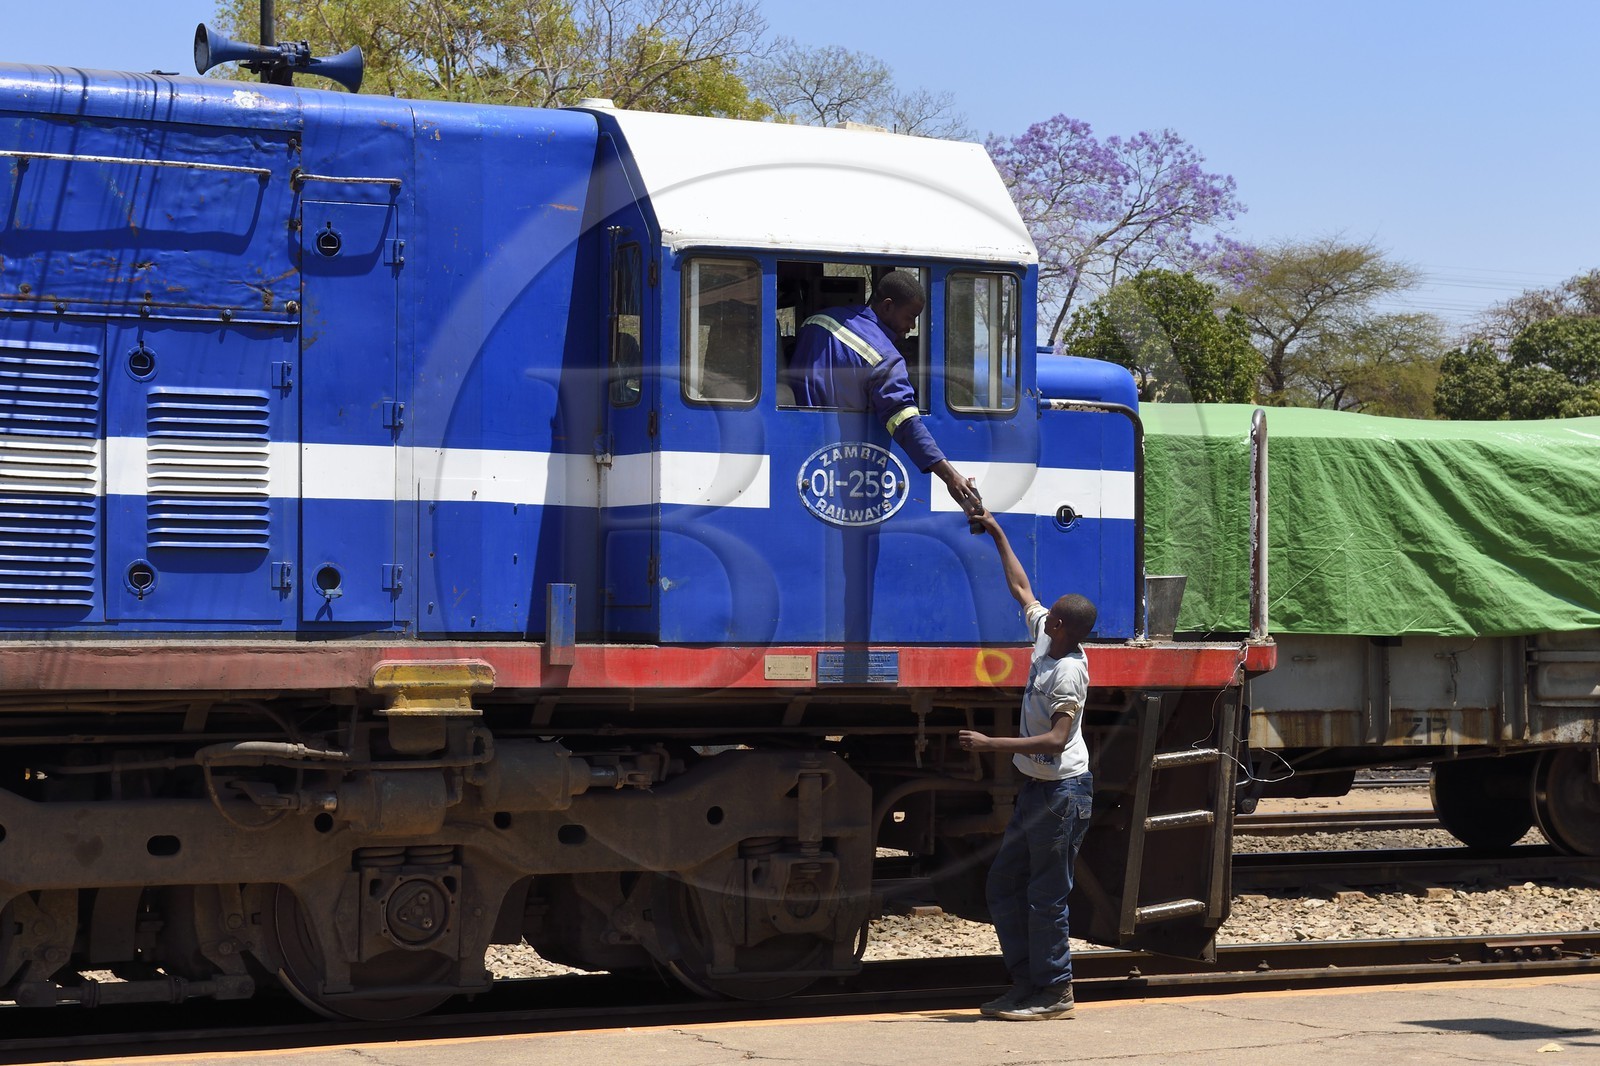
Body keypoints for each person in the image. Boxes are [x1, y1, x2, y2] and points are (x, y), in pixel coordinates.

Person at [958, 509, 1097, 1021]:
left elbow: (1058, 740)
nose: (1043, 613)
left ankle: (1055, 991)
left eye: (1051, 614)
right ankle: (1025, 984)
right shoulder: (1047, 636)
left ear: (1062, 626)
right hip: (1038, 791)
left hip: (1062, 793)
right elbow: (1021, 587)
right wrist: (995, 529)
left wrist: (991, 743)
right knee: (1004, 885)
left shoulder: (1068, 673)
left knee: (1046, 897)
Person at [787, 270, 982, 517]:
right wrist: (950, 476)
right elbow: (904, 420)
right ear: (888, 306)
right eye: (910, 317)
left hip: (799, 450)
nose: (912, 327)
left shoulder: (816, 321)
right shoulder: (885, 358)